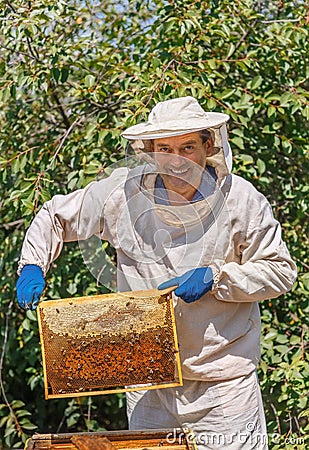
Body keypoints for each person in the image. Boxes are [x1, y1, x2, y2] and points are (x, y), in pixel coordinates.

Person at [16, 96, 297, 449]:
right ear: (149, 150)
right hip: (147, 380)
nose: (176, 160)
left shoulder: (241, 200)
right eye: (165, 148)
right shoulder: (122, 194)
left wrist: (218, 278)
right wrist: (32, 264)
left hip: (221, 383)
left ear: (208, 146)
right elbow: (56, 216)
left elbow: (280, 271)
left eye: (188, 147)